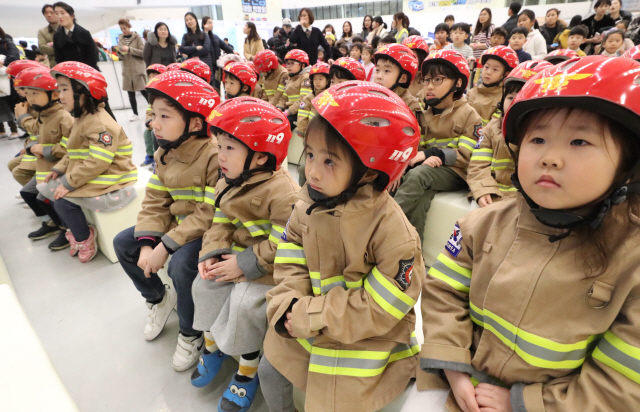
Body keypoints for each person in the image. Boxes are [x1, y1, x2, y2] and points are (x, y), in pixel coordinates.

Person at [418, 55, 640, 412]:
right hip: (462, 388)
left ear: (629, 165)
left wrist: (527, 402)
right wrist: (451, 365)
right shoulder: (482, 223)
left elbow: (623, 382)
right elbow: (443, 293)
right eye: (537, 139)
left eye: (579, 142)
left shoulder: (632, 260)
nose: (549, 158)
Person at [259, 81, 424, 412]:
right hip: (308, 320)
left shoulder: (394, 232)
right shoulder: (306, 201)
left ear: (367, 172)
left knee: (337, 401)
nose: (312, 171)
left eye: (329, 161)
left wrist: (313, 314)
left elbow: (383, 307)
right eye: (309, 155)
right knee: (269, 367)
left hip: (366, 341)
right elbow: (290, 254)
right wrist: (290, 303)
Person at [190, 97, 298, 412]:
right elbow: (219, 221)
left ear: (261, 157)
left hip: (269, 269)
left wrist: (242, 264)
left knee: (244, 306)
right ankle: (212, 347)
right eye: (219, 146)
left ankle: (247, 370)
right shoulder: (228, 181)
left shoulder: (285, 194)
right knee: (203, 284)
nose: (219, 155)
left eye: (229, 148)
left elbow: (283, 246)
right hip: (235, 255)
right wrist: (213, 253)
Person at [114, 70, 220, 371]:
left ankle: (190, 331)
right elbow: (156, 201)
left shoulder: (214, 154)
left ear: (195, 123)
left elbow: (210, 213)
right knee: (124, 244)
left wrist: (166, 246)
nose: (154, 124)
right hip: (178, 226)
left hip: (209, 231)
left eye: (164, 116)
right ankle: (158, 299)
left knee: (180, 265)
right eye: (153, 115)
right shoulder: (164, 152)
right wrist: (148, 243)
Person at [38, 61, 137, 263]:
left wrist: (69, 182)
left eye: (65, 89)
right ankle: (73, 229)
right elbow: (74, 152)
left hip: (113, 173)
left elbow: (97, 162)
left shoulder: (99, 123)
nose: (60, 95)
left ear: (85, 91)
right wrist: (59, 168)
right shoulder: (82, 118)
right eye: (59, 89)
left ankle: (85, 237)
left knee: (63, 201)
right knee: (45, 193)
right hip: (93, 170)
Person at [394, 50, 483, 242]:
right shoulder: (423, 114)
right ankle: (412, 252)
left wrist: (436, 155)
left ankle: (384, 226)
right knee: (420, 200)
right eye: (426, 80)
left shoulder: (469, 114)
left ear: (457, 83)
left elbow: (468, 156)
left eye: (437, 80)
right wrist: (425, 156)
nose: (429, 86)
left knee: (418, 175)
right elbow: (418, 147)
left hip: (457, 173)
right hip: (432, 169)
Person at [467, 60, 552, 208]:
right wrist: (483, 189)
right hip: (492, 196)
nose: (515, 104)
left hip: (526, 204)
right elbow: (478, 165)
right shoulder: (491, 129)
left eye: (524, 98)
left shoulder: (549, 136)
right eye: (510, 97)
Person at [14, 67, 73, 249]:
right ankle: (51, 223)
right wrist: (32, 146)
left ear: (54, 95)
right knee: (28, 193)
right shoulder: (42, 115)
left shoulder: (63, 117)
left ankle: (65, 228)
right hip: (44, 168)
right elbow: (36, 133)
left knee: (43, 198)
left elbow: (70, 148)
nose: (30, 98)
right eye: (28, 93)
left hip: (59, 168)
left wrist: (44, 149)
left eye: (35, 93)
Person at [372, 44, 424, 130]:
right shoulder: (373, 97)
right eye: (377, 70)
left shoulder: (410, 106)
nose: (379, 76)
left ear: (403, 78)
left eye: (387, 71)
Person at [467, 46, 518, 124]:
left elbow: (494, 128)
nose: (488, 72)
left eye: (495, 69)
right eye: (486, 67)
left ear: (506, 74)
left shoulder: (504, 98)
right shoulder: (472, 92)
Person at [52, 2, 99, 71]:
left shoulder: (84, 33)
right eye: (56, 14)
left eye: (62, 13)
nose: (59, 16)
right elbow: (58, 58)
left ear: (72, 16)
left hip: (87, 72)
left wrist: (84, 70)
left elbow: (93, 56)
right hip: (68, 73)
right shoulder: (57, 36)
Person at [117, 18, 148, 122]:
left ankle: (152, 110)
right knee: (130, 93)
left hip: (138, 68)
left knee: (143, 91)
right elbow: (120, 56)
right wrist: (120, 52)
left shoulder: (138, 38)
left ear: (129, 26)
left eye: (125, 28)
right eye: (121, 29)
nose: (123, 30)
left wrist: (129, 49)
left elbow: (143, 53)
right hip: (127, 69)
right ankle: (135, 113)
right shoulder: (120, 38)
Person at [275, 49, 311, 129]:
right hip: (290, 111)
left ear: (303, 65)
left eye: (292, 63)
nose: (288, 66)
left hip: (300, 112)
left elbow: (303, 100)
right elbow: (284, 96)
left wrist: (287, 112)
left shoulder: (306, 78)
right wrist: (279, 107)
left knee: (282, 126)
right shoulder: (291, 77)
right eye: (287, 63)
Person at [140, 64, 166, 170]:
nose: (152, 79)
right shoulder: (152, 95)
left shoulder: (165, 93)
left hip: (164, 123)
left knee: (154, 134)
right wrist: (149, 121)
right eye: (150, 76)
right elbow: (149, 111)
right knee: (147, 133)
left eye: (155, 76)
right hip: (155, 122)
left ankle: (159, 158)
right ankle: (151, 156)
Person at [295, 61, 330, 139]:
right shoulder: (309, 97)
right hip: (311, 131)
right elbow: (302, 114)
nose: (317, 82)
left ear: (327, 81)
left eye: (320, 79)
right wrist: (301, 130)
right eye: (315, 79)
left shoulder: (331, 96)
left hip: (326, 132)